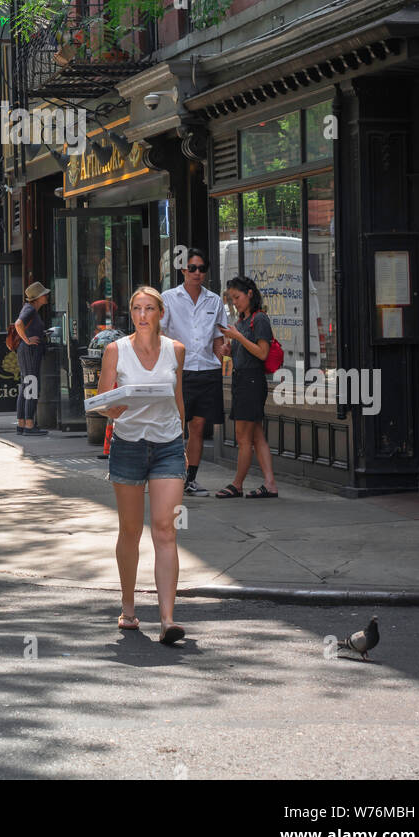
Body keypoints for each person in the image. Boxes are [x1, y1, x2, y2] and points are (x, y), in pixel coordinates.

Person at [95, 286, 188, 644]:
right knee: (131, 531)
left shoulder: (175, 351)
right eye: (137, 308)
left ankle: (167, 619)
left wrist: (183, 441)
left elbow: (179, 397)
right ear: (130, 314)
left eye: (150, 308)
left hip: (166, 445)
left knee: (166, 529)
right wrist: (110, 410)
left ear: (161, 313)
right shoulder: (115, 351)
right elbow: (105, 400)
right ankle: (129, 607)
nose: (143, 314)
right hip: (129, 445)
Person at [160, 248, 226, 497]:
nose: (197, 273)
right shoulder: (168, 298)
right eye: (192, 268)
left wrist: (225, 357)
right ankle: (169, 476)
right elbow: (160, 335)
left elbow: (219, 339)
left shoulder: (215, 301)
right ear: (183, 270)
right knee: (175, 426)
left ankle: (190, 479)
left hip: (207, 371)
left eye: (201, 268)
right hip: (180, 372)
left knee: (197, 427)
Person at [215, 276, 279, 499]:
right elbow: (247, 351)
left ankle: (237, 484)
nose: (235, 303)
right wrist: (230, 350)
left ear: (249, 293)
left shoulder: (259, 319)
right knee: (256, 436)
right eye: (231, 299)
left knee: (243, 437)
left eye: (237, 297)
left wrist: (238, 337)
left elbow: (262, 353)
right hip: (242, 379)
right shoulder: (243, 319)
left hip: (252, 381)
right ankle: (270, 484)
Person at [13, 281, 50, 436]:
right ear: (37, 298)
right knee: (32, 385)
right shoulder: (29, 309)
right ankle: (29, 424)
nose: (46, 296)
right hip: (30, 351)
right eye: (44, 294)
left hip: (27, 350)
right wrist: (27, 340)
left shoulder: (31, 309)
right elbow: (18, 323)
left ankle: (22, 423)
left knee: (26, 385)